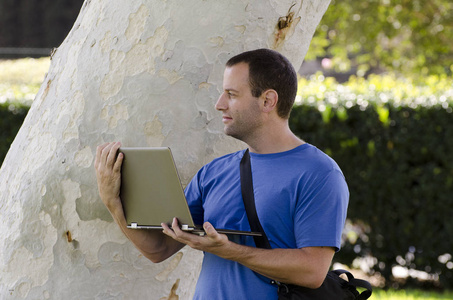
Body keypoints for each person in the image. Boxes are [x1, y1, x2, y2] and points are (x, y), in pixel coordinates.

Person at [95, 48, 349, 299]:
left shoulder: (319, 174)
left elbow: (312, 271)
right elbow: (158, 249)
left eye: (231, 94)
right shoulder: (213, 173)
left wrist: (230, 250)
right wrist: (112, 202)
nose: (219, 104)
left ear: (268, 101)